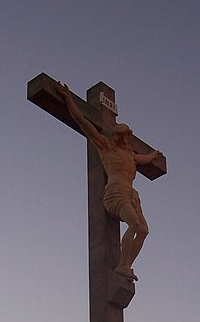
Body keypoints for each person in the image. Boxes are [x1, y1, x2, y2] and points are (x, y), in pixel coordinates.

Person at [56, 83, 163, 282]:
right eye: (124, 135)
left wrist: (154, 154)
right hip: (115, 192)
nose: (125, 138)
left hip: (131, 194)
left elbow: (145, 159)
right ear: (117, 135)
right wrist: (68, 98)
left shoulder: (130, 154)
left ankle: (126, 265)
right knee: (133, 223)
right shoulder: (106, 147)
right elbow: (82, 121)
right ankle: (122, 266)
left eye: (126, 135)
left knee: (143, 230)